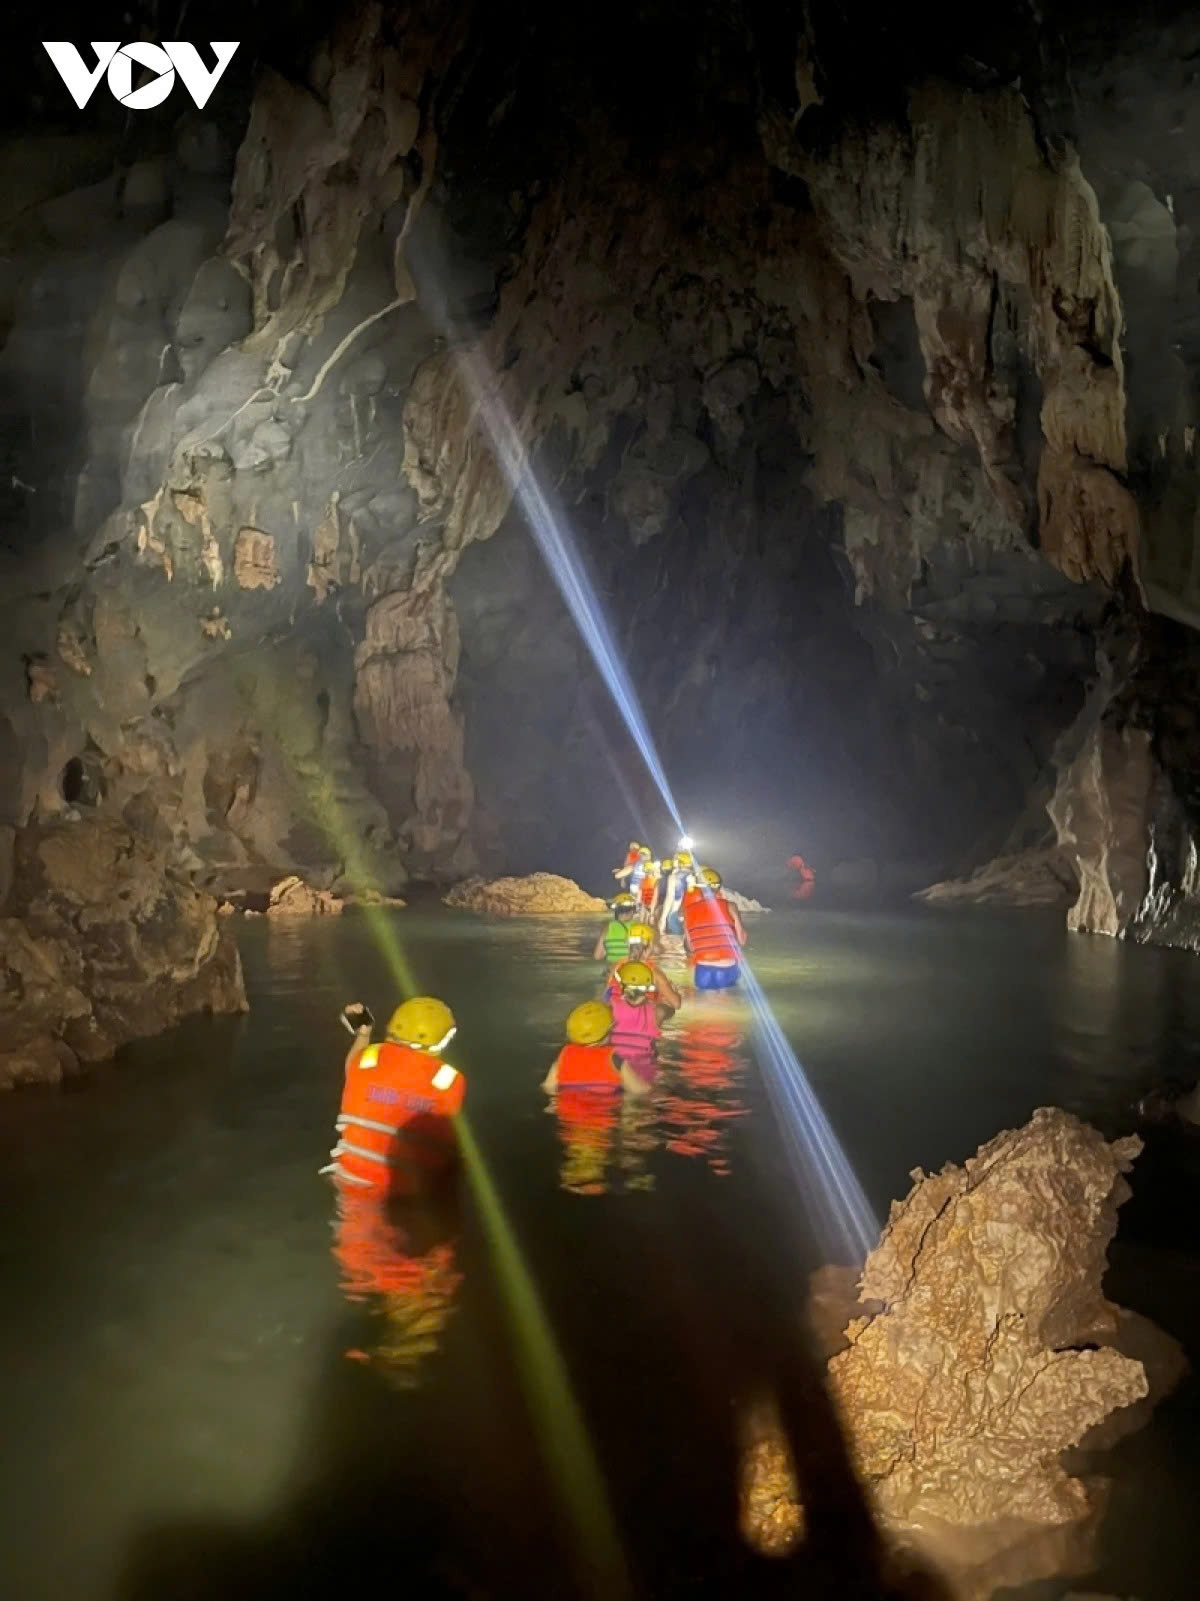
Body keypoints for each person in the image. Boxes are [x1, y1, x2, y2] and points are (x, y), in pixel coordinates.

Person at [323, 996, 464, 1194]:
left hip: (349, 1178)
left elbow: (352, 1067)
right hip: (407, 1194)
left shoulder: (365, 1061)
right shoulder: (450, 1081)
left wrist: (363, 1034)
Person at [541, 999, 651, 1097]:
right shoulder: (614, 1059)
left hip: (568, 1115)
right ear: (608, 1032)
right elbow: (641, 1091)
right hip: (603, 1117)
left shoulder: (563, 1056)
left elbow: (549, 1087)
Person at [682, 867, 747, 989]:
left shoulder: (687, 911)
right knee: (725, 999)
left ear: (698, 887)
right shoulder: (730, 906)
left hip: (702, 971)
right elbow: (742, 941)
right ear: (718, 888)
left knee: (705, 1001)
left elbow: (690, 948)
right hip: (727, 967)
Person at [603, 958, 680, 1059]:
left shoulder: (609, 1009)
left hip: (616, 1065)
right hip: (645, 1066)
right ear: (647, 988)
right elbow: (674, 1008)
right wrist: (675, 992)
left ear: (621, 986)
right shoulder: (658, 1011)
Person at [593, 890, 638, 967]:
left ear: (616, 911)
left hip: (612, 969)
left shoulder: (607, 927)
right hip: (630, 969)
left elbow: (597, 956)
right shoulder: (637, 926)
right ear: (632, 911)